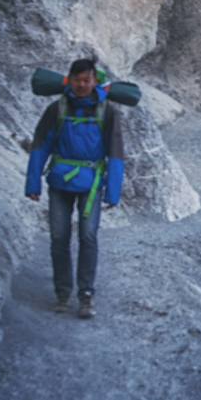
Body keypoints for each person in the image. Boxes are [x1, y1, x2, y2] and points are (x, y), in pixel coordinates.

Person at [26, 56, 125, 318]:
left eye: (87, 80)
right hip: (59, 183)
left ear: (95, 81)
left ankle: (86, 295)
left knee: (88, 237)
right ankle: (62, 292)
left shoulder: (108, 112)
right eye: (77, 79)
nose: (82, 85)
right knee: (59, 238)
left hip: (90, 184)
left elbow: (115, 153)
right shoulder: (57, 109)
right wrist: (32, 182)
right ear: (69, 79)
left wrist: (113, 191)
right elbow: (40, 146)